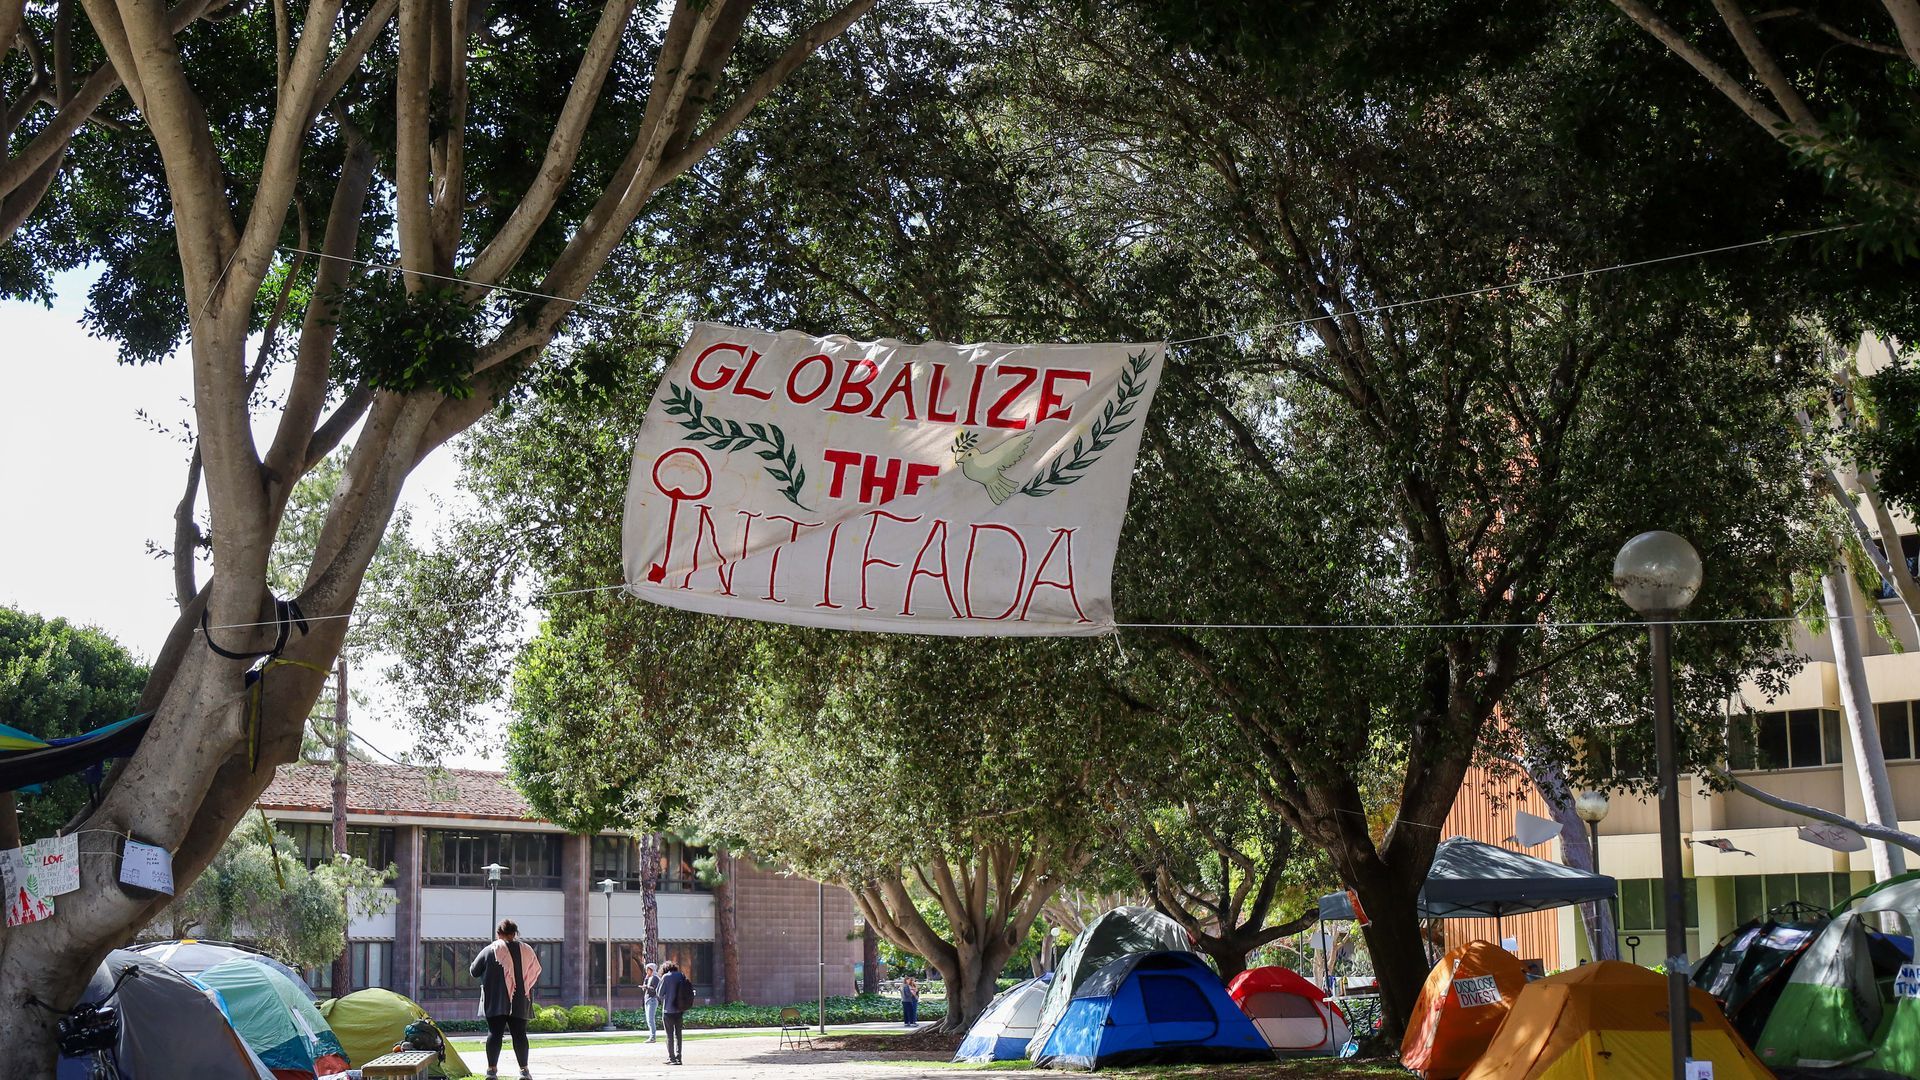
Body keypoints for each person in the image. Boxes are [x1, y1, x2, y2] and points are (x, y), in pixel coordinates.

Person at [470, 919, 542, 1080]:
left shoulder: (490, 950)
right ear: (515, 933)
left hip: (495, 1000)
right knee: (520, 1035)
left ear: (498, 934)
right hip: (520, 1000)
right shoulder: (527, 950)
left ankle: (491, 1071)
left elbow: (474, 971)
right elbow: (536, 971)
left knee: (494, 1034)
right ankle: (524, 1071)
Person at [658, 960, 693, 1065]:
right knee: (678, 1034)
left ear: (664, 969)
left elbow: (659, 993)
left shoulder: (666, 977)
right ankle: (679, 1057)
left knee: (669, 1035)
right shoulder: (681, 975)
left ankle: (671, 1058)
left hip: (668, 1010)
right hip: (679, 1008)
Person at [643, 962, 662, 1043]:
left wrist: (647, 987)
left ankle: (653, 1037)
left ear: (652, 970)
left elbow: (656, 990)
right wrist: (645, 981)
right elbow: (645, 988)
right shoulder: (648, 978)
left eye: (648, 970)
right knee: (648, 1019)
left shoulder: (656, 978)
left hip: (653, 1000)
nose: (647, 971)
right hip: (647, 999)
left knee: (651, 1019)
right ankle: (651, 1036)